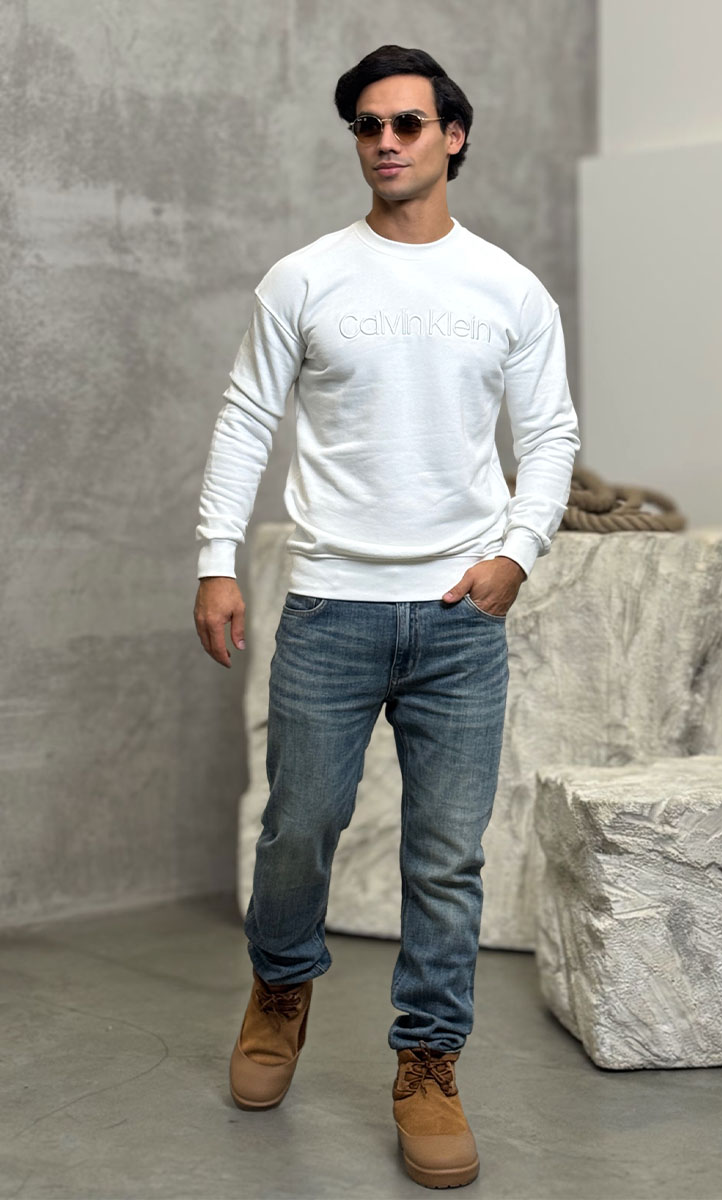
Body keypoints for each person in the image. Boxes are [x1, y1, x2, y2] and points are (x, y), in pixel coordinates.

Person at [193, 43, 580, 1191]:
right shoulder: (305, 278)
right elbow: (244, 418)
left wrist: (517, 552)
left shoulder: (507, 288)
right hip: (330, 609)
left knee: (446, 858)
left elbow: (548, 434)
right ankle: (279, 988)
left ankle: (427, 1064)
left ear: (451, 136)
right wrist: (216, 561)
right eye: (367, 125)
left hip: (459, 619)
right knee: (297, 830)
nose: (386, 142)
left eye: (408, 123)